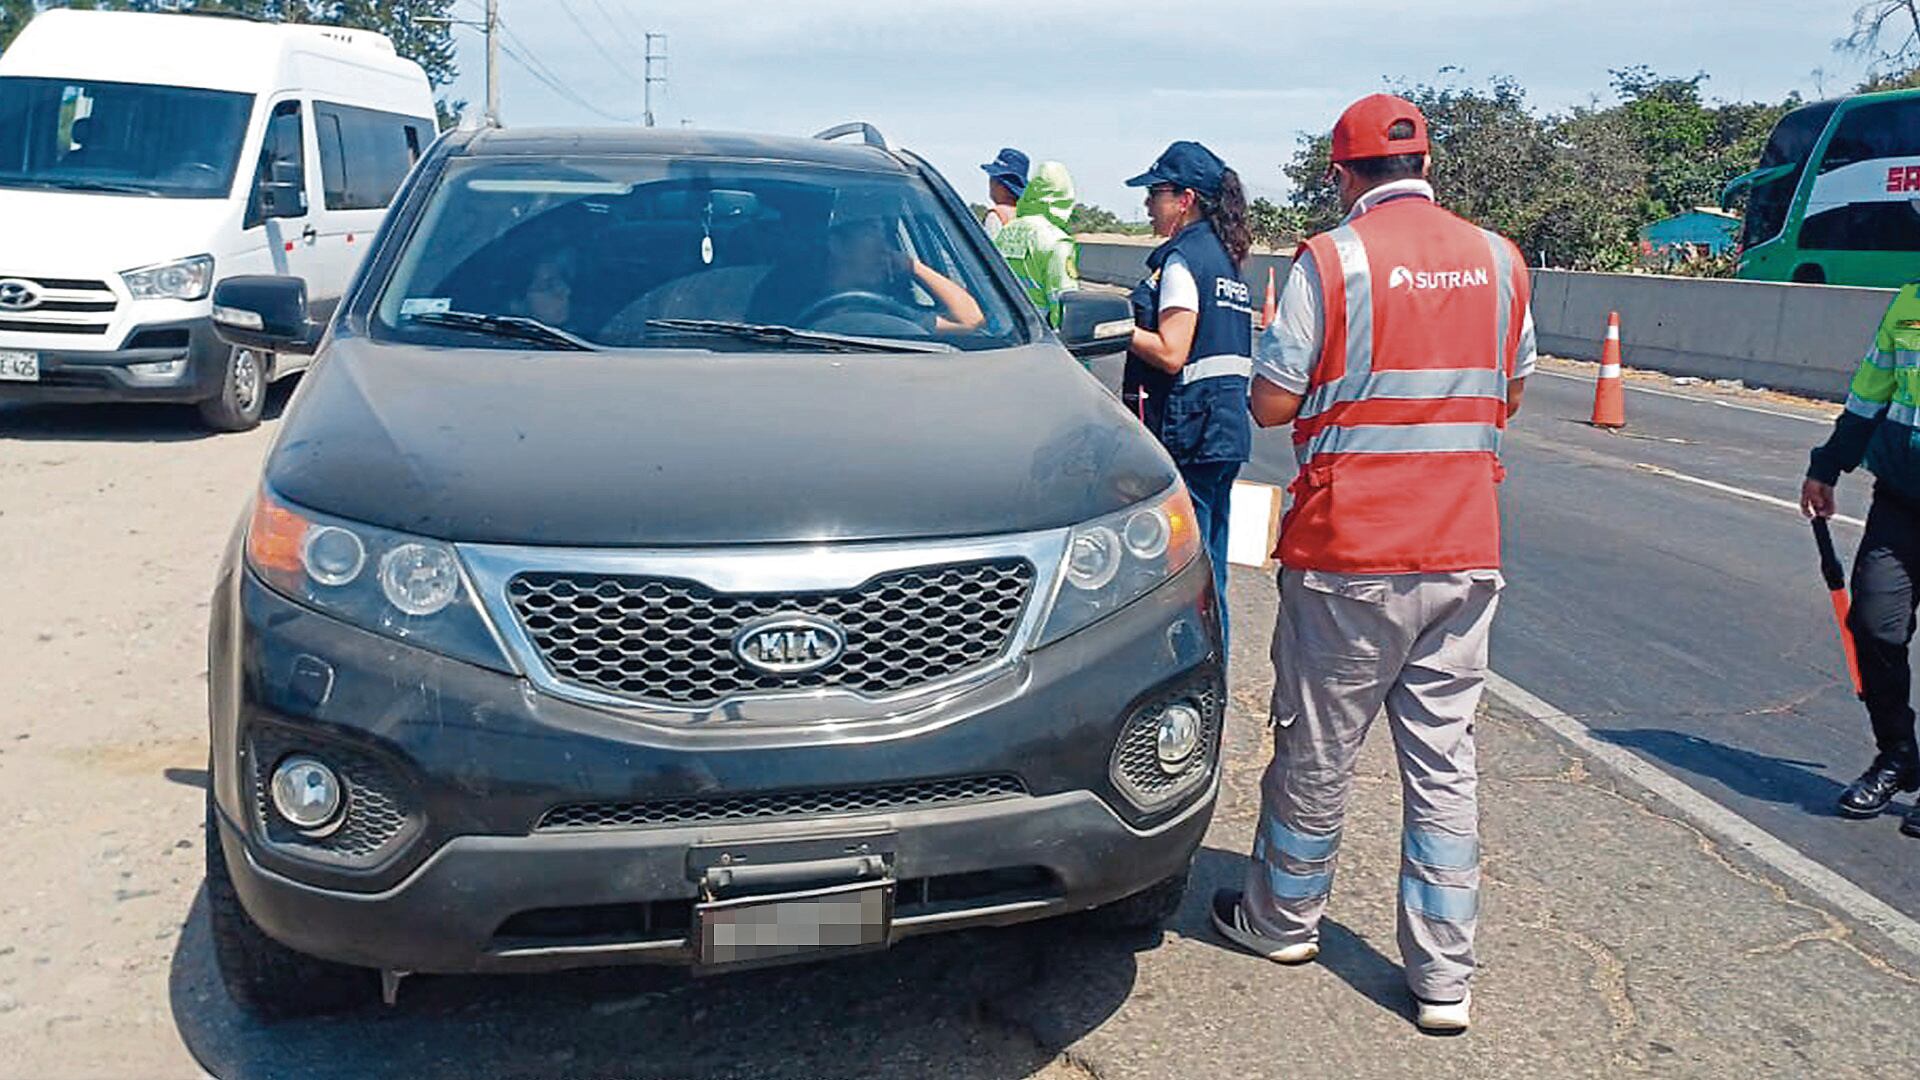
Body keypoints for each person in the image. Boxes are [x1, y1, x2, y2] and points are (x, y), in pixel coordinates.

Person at [1207, 95, 1535, 1035]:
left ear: (1343, 176)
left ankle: (1283, 917)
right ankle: (1445, 978)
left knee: (1319, 746)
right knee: (1444, 764)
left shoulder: (1332, 261)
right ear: (1426, 165)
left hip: (1351, 550)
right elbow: (1508, 390)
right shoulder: (1499, 258)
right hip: (1466, 549)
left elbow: (1272, 403)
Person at [1122, 140, 1255, 644]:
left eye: (1155, 193)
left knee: (1183, 570)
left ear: (1186, 198)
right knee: (1212, 562)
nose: (1148, 205)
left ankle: (1194, 661)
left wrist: (1118, 327)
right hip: (1221, 431)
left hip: (1189, 430)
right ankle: (1215, 653)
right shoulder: (1224, 259)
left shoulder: (1182, 260)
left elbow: (1171, 351)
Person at [1802, 288, 1920, 838]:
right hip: (1900, 501)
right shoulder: (1909, 303)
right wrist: (1828, 465)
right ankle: (1897, 754)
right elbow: (1871, 395)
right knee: (1873, 625)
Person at [992, 160, 1080, 328]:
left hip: (1006, 329)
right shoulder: (1057, 241)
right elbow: (1062, 300)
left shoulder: (1007, 229)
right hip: (1038, 332)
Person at [979, 147, 1028, 239]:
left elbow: (990, 251)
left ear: (1001, 185)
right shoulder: (1030, 216)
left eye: (992, 178)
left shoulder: (996, 217)